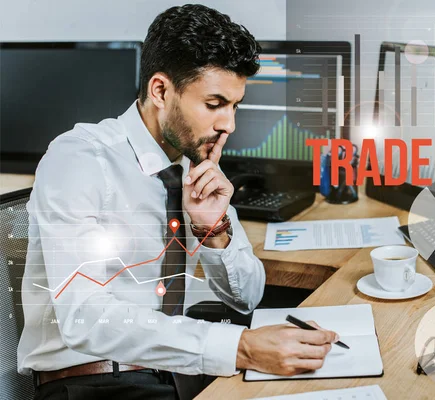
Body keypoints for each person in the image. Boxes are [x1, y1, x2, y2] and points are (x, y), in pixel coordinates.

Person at [17, 4, 338, 400]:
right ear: (161, 91)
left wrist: (214, 229)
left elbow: (247, 296)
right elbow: (85, 318)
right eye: (215, 103)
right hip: (92, 382)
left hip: (175, 372)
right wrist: (241, 347)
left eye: (235, 105)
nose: (229, 125)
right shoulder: (78, 159)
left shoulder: (195, 166)